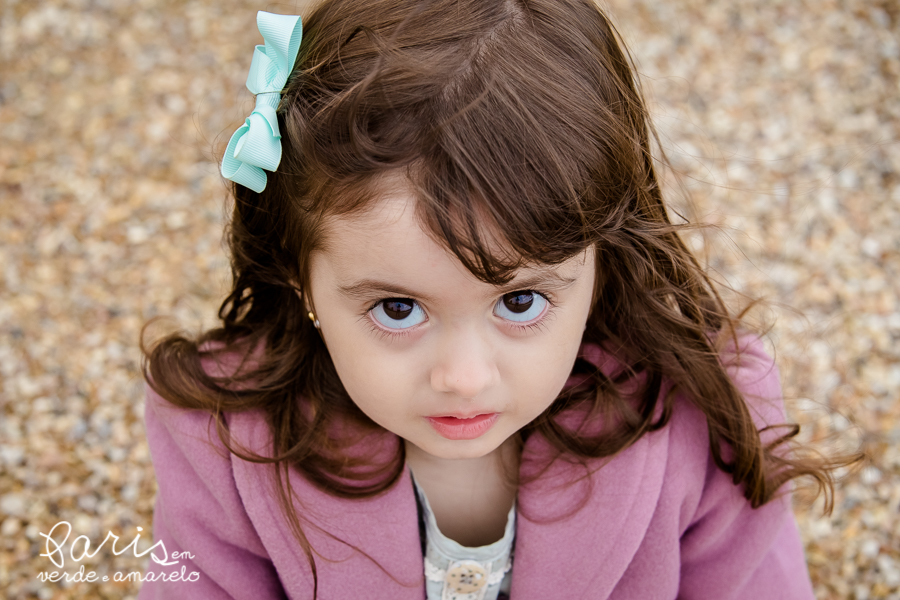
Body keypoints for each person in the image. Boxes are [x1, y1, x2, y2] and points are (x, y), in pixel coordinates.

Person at [137, 1, 853, 598]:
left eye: (519, 303)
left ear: (603, 257)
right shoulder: (222, 439)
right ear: (300, 275)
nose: (465, 377)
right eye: (397, 309)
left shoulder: (708, 416)